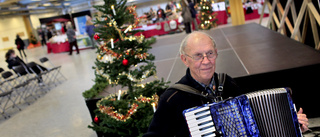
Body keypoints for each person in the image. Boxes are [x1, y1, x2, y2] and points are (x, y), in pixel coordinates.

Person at [143, 32, 309, 136]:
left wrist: (292, 125)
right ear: (184, 59)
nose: (206, 61)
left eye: (210, 53)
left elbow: (254, 123)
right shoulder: (172, 98)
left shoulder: (227, 83)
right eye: (198, 56)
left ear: (216, 53)